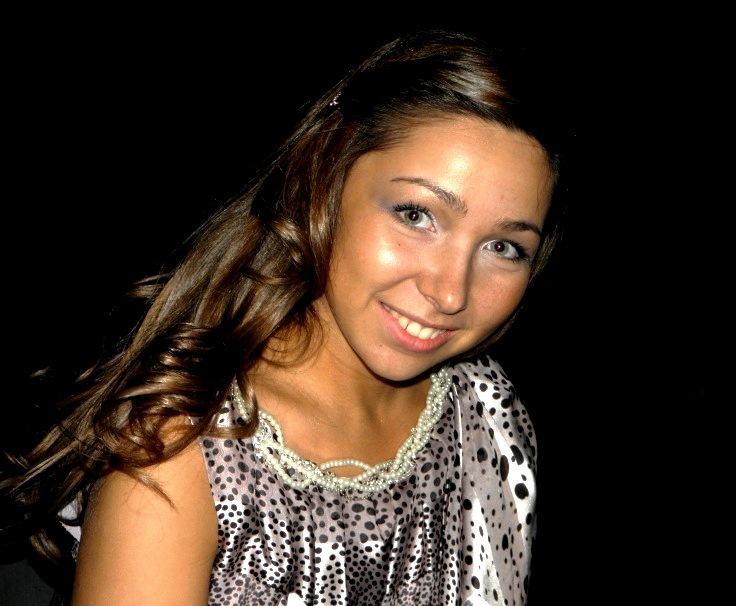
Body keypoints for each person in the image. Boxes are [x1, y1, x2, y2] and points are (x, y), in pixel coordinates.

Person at [2, 29, 570, 605]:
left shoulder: (487, 411)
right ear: (325, 179)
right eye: (415, 215)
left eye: (504, 247)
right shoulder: (177, 457)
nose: (449, 293)